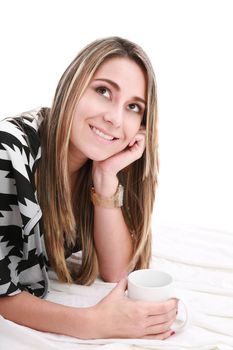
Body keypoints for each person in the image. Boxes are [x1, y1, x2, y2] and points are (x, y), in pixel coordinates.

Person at [0, 36, 177, 340]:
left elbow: (117, 271)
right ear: (72, 85)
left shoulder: (93, 167)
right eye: (103, 91)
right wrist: (92, 323)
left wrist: (106, 177)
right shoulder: (8, 153)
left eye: (133, 106)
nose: (115, 118)